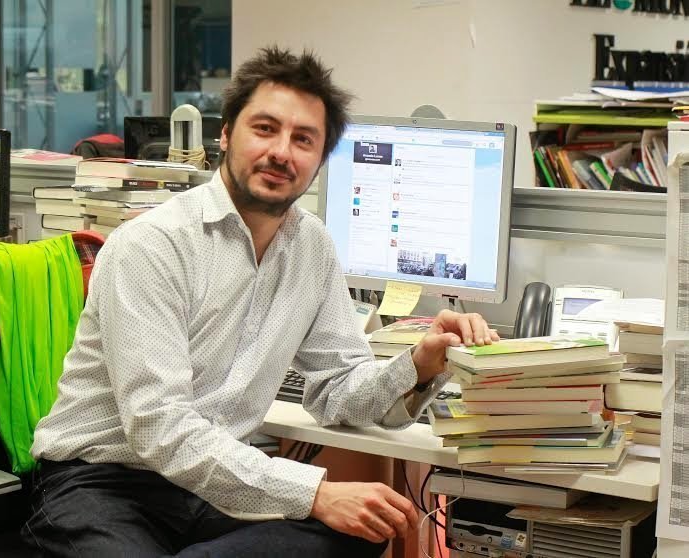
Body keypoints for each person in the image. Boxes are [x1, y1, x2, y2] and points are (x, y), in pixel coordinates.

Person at [25, 46, 498, 557]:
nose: (282, 152)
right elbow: (160, 427)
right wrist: (315, 493)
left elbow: (337, 390)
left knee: (360, 530)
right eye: (265, 129)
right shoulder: (153, 245)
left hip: (210, 490)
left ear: (320, 159)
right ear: (227, 134)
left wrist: (419, 366)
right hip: (100, 483)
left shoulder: (311, 246)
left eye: (304, 139)